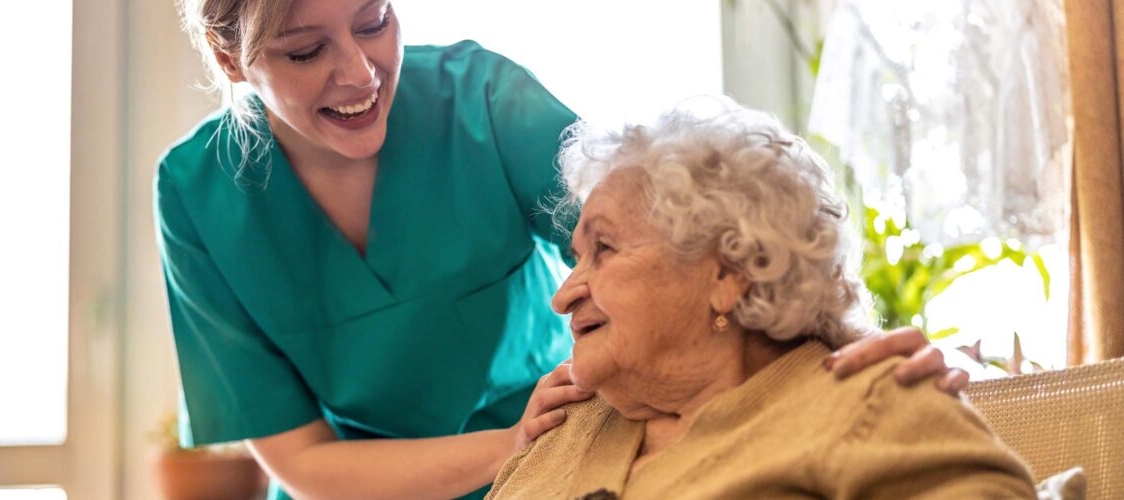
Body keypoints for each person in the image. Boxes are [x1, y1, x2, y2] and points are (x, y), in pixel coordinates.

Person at [156, 0, 965, 497]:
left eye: (375, 21)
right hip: (413, 482)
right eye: (306, 51)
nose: (361, 72)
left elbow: (683, 240)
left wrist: (857, 356)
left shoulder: (482, 102)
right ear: (233, 60)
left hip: (568, 442)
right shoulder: (197, 198)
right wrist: (506, 453)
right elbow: (304, 462)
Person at [486, 101, 1035, 499]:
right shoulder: (564, 428)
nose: (562, 296)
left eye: (603, 248)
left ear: (728, 272)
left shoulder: (867, 402)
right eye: (575, 257)